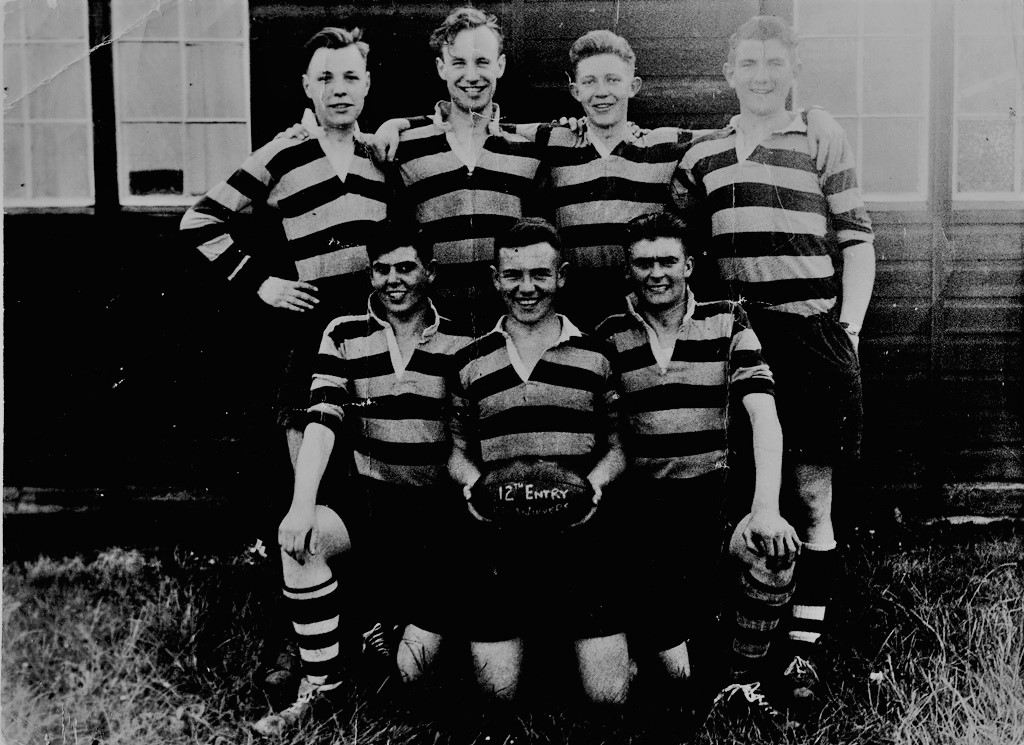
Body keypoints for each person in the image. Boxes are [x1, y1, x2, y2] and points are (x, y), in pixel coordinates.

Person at [370, 28, 847, 332]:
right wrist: (401, 124)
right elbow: (479, 125)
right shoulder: (551, 139)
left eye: (614, 81)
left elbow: (739, 128)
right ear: (574, 89)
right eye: (591, 82)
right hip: (573, 308)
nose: (603, 93)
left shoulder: (668, 144)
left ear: (633, 86)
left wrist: (809, 115)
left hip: (644, 309)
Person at [674, 15, 876, 709]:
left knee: (813, 498)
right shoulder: (701, 156)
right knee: (739, 491)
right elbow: (681, 248)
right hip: (735, 338)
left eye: (774, 63)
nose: (762, 76)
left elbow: (856, 239)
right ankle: (739, 642)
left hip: (810, 336)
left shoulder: (818, 135)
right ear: (729, 72)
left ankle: (803, 653)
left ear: (793, 70)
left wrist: (847, 327)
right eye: (749, 64)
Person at [252, 225, 473, 735]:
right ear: (370, 275)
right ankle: (321, 690)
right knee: (302, 540)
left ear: (430, 272)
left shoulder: (465, 337)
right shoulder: (344, 331)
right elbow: (322, 418)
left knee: (413, 676)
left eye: (406, 268)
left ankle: (388, 642)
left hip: (437, 509)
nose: (394, 280)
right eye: (382, 269)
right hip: (370, 500)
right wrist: (302, 504)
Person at [597, 211, 800, 716]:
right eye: (643, 263)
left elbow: (764, 415)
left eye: (668, 260)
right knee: (679, 681)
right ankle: (677, 659)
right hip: (643, 513)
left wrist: (766, 509)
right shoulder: (609, 335)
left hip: (713, 501)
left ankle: (742, 681)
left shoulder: (727, 319)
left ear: (689, 265)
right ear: (628, 270)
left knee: (774, 550)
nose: (656, 273)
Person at [180, 26, 395, 467]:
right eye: (325, 78)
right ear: (306, 86)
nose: (339, 90)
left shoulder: (381, 154)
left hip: (379, 318)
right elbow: (199, 220)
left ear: (368, 83)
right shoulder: (283, 152)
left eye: (351, 77)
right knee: (309, 443)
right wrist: (261, 283)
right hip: (316, 319)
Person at [447, 217, 630, 703]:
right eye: (513, 275)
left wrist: (592, 487)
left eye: (540, 275)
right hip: (499, 536)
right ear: (495, 279)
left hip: (579, 537)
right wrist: (475, 487)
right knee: (496, 698)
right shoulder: (470, 360)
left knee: (608, 700)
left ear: (562, 277)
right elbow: (456, 451)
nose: (526, 288)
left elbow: (617, 448)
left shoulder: (597, 355)